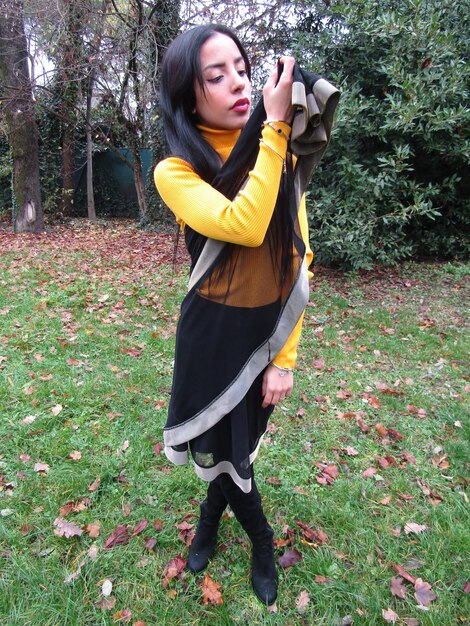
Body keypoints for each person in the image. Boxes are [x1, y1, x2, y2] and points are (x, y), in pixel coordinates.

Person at [154, 23, 338, 605]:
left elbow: (294, 258)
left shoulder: (272, 155)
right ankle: (260, 538)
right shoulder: (175, 171)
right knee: (223, 448)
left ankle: (217, 524)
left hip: (262, 338)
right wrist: (277, 127)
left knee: (237, 449)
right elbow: (243, 223)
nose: (238, 83)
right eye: (217, 74)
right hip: (210, 340)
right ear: (190, 94)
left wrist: (285, 358)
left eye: (241, 67)